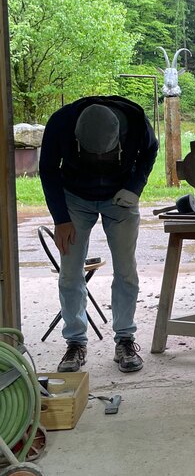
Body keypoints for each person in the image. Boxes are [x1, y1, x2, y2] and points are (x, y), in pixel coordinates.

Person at [39, 96, 159, 374]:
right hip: (75, 198)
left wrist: (135, 187)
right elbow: (48, 169)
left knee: (126, 270)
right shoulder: (61, 123)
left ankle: (125, 340)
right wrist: (61, 219)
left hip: (120, 197)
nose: (99, 161)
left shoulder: (136, 122)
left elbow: (150, 151)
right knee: (70, 272)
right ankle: (75, 342)